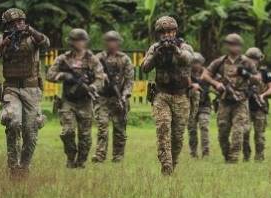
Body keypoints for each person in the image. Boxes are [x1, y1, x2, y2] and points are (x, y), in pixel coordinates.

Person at [0, 8, 50, 178]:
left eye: (21, 21)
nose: (19, 25)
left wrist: (31, 31)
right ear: (7, 26)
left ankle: (24, 168)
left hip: (31, 89)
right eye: (14, 23)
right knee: (12, 122)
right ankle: (13, 168)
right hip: (11, 88)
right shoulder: (1, 39)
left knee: (31, 131)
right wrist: (2, 46)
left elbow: (46, 44)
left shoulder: (32, 37)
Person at [141, 16, 196, 175]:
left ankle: (173, 163)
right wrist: (155, 55)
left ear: (175, 31)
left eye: (170, 31)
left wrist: (176, 51)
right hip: (161, 95)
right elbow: (145, 67)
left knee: (177, 138)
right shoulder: (154, 48)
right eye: (163, 32)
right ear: (158, 34)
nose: (167, 35)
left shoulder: (184, 47)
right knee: (163, 127)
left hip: (181, 96)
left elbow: (188, 59)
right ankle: (166, 165)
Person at [47, 28, 106, 169]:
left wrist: (92, 87)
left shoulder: (92, 59)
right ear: (71, 42)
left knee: (85, 137)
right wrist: (62, 76)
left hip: (85, 102)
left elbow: (100, 79)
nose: (80, 43)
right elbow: (50, 74)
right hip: (68, 101)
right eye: (77, 40)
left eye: (82, 40)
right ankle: (70, 156)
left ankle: (81, 161)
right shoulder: (64, 59)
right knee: (67, 131)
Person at [202, 33, 259, 164]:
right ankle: (227, 156)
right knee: (223, 130)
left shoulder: (247, 62)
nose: (232, 47)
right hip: (224, 100)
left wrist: (245, 74)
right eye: (230, 44)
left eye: (235, 44)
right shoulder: (220, 61)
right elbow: (205, 75)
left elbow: (258, 80)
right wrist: (216, 84)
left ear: (240, 46)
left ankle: (233, 159)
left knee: (238, 130)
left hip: (241, 101)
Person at [93, 30, 134, 163]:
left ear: (118, 43)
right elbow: (89, 75)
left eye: (114, 41)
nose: (112, 44)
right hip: (102, 97)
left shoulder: (124, 59)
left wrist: (125, 95)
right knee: (102, 126)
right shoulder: (98, 58)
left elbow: (129, 80)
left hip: (119, 98)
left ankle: (118, 156)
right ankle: (99, 155)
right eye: (109, 41)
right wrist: (100, 76)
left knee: (120, 128)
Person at [241, 46, 271, 162]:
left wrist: (263, 95)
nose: (251, 61)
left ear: (258, 60)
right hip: (245, 105)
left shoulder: (265, 73)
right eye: (249, 59)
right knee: (244, 132)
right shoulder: (242, 71)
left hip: (260, 106)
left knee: (259, 134)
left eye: (254, 59)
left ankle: (259, 158)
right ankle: (246, 156)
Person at [187, 52, 212, 159]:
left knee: (204, 127)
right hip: (191, 106)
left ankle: (205, 152)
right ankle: (193, 153)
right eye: (193, 62)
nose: (196, 65)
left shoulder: (208, 75)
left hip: (204, 105)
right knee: (192, 130)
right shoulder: (187, 75)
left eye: (198, 62)